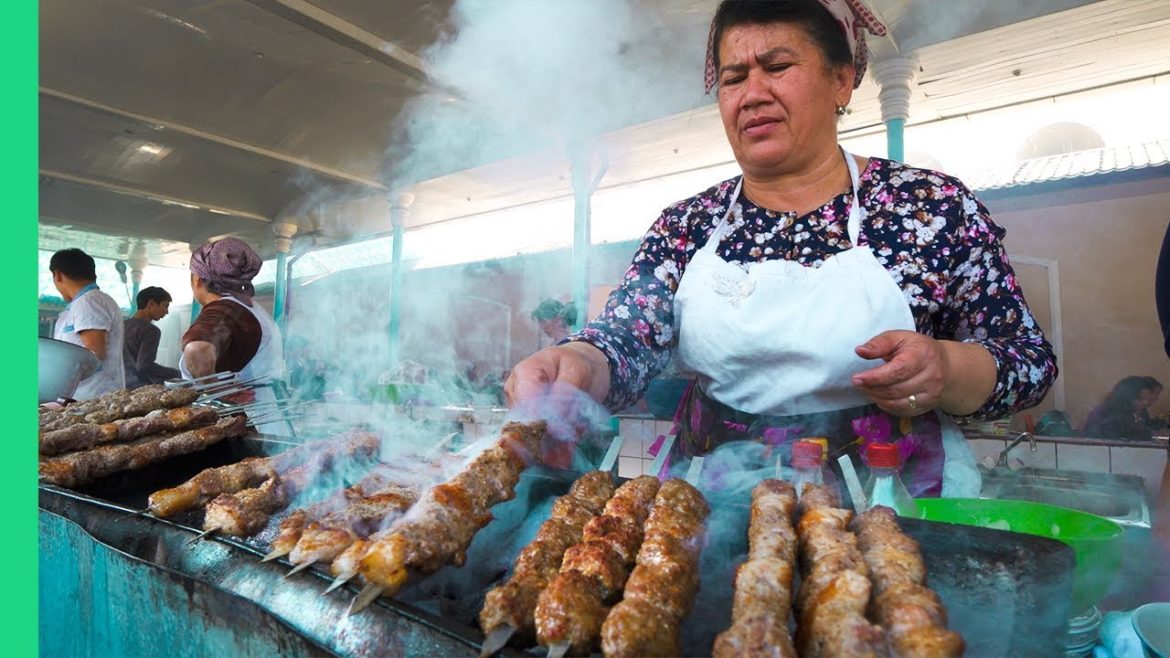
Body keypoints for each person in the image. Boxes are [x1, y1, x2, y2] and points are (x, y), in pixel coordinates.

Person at [505, 0, 1058, 498]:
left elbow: (1027, 361)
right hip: (709, 505)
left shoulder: (927, 207)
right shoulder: (687, 224)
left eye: (777, 66)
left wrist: (948, 367)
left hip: (891, 499)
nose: (753, 93)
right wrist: (577, 362)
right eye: (734, 77)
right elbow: (627, 339)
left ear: (841, 81)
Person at [181, 237, 290, 435]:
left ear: (197, 280)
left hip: (248, 429)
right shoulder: (250, 308)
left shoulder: (225, 310)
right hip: (271, 422)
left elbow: (197, 349)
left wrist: (215, 390)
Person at [49, 248, 125, 399]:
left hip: (92, 397)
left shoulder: (89, 302)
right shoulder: (87, 301)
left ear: (58, 275)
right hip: (87, 395)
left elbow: (94, 353)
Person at [123, 286, 181, 389]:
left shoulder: (122, 325)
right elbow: (144, 366)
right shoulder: (150, 331)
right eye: (165, 306)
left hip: (118, 384)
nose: (167, 312)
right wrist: (176, 373)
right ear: (151, 303)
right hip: (138, 387)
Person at [1081, 376, 1163, 441]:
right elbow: (1120, 439)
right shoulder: (1113, 415)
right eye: (1141, 399)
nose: (1145, 403)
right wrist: (1150, 435)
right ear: (1130, 398)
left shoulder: (1133, 412)